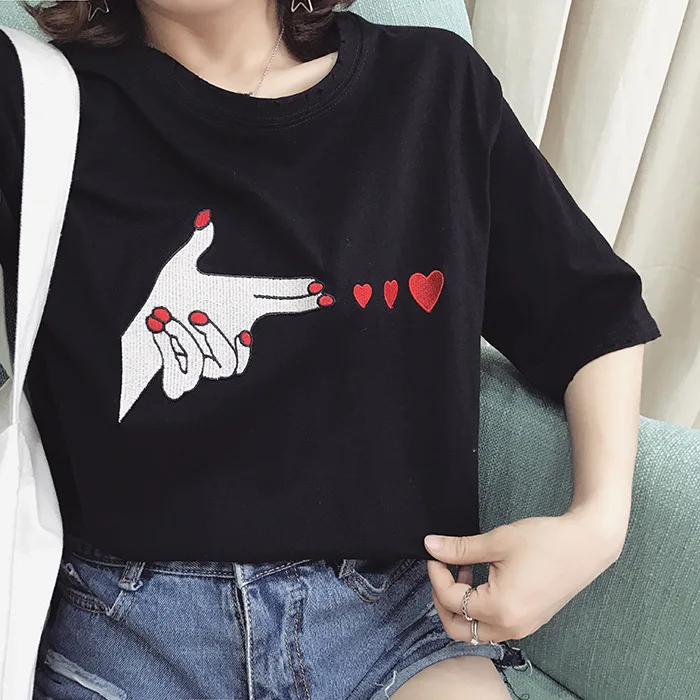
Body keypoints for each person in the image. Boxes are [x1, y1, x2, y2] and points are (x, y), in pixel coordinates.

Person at [0, 0, 662, 698]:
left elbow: (590, 310)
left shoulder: (432, 88)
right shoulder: (33, 106)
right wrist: (144, 347)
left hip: (393, 624)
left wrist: (596, 524)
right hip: (122, 629)